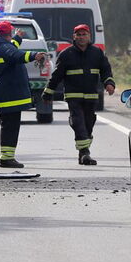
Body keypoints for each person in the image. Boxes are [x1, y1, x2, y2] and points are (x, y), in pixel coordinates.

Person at [42, 24, 115, 165]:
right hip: (73, 96)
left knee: (89, 123)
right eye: (79, 35)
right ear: (74, 37)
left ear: (89, 36)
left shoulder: (97, 53)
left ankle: (83, 152)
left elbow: (106, 70)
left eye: (84, 34)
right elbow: (57, 75)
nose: (81, 37)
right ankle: (85, 153)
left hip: (91, 95)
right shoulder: (66, 54)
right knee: (78, 122)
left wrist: (109, 83)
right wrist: (48, 92)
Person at [0, 20, 46, 168]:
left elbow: (12, 48)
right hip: (8, 95)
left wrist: (18, 38)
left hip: (6, 93)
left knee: (10, 125)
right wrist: (35, 55)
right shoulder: (3, 47)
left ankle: (7, 156)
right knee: (10, 126)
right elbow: (16, 55)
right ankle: (7, 158)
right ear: (7, 34)